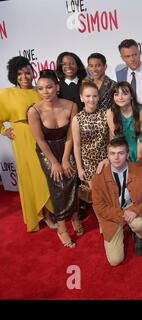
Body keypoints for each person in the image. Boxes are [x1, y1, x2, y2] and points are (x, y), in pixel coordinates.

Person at [27, 69, 81, 248]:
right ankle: (61, 228)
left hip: (67, 146)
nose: (45, 92)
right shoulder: (34, 111)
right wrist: (55, 163)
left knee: (72, 180)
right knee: (58, 185)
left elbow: (71, 135)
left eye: (49, 87)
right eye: (41, 88)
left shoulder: (71, 105)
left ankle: (74, 218)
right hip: (47, 151)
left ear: (57, 87)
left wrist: (65, 159)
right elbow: (40, 140)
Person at [0, 56, 54, 232]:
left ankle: (50, 211)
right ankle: (42, 215)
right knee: (32, 176)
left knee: (46, 173)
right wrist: (3, 130)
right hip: (22, 137)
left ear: (33, 73)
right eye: (20, 74)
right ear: (14, 76)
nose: (24, 77)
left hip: (43, 135)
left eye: (27, 73)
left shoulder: (40, 91)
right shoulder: (7, 94)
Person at [91, 137, 142, 266]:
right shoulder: (98, 177)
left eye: (120, 153)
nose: (116, 157)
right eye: (112, 153)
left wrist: (135, 210)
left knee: (139, 224)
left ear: (127, 155)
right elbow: (99, 207)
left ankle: (138, 236)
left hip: (131, 207)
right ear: (107, 156)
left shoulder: (139, 171)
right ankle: (123, 230)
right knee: (115, 261)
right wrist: (123, 215)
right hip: (111, 214)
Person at [71, 80, 109, 234]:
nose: (91, 99)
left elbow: (113, 137)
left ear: (98, 97)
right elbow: (77, 145)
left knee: (109, 192)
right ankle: (101, 222)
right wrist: (80, 168)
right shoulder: (77, 119)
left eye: (94, 96)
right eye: (87, 96)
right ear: (81, 98)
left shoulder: (106, 113)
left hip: (106, 161)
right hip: (88, 164)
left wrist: (109, 158)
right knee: (96, 196)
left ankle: (111, 217)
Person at [106, 81, 142, 162]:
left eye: (124, 94)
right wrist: (124, 157)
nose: (120, 98)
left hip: (140, 154)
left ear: (132, 96)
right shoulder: (110, 113)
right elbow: (116, 137)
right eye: (116, 94)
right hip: (121, 154)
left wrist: (138, 159)